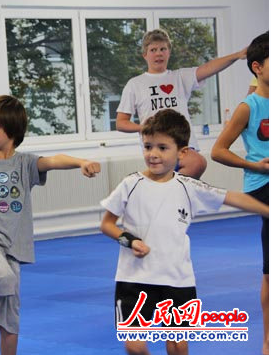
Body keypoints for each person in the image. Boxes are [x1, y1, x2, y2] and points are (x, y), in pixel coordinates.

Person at [101, 108, 269, 355]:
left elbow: (232, 198)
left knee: (178, 346)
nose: (153, 154)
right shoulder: (130, 184)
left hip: (177, 279)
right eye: (147, 147)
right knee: (134, 346)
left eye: (162, 147)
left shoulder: (188, 187)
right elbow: (106, 224)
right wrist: (129, 241)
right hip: (133, 279)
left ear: (181, 152)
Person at [0, 95, 101, 355]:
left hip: (14, 244)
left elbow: (54, 161)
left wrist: (81, 163)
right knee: (1, 277)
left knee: (10, 314)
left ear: (13, 129)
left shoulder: (25, 163)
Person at [116, 28, 247, 179]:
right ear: (145, 55)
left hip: (184, 143)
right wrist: (144, 127)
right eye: (153, 50)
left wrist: (238, 55)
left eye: (163, 49)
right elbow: (121, 123)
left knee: (194, 168)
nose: (158, 53)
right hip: (158, 147)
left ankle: (164, 193)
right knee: (197, 164)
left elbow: (210, 68)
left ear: (169, 52)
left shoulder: (180, 77)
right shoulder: (135, 84)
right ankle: (164, 193)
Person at [211, 31, 269, 355]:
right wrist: (257, 166)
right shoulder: (249, 107)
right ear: (258, 67)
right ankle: (266, 341)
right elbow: (218, 151)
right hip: (262, 185)